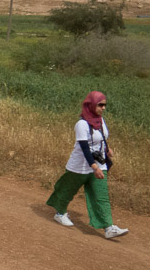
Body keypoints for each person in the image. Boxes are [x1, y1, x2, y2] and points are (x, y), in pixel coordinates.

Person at [46, 91, 129, 239]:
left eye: (104, 105)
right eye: (100, 105)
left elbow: (101, 139)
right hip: (79, 166)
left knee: (101, 196)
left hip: (99, 164)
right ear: (91, 105)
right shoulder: (81, 124)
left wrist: (107, 150)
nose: (103, 108)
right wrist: (94, 167)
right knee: (67, 190)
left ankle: (108, 227)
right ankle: (60, 213)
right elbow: (84, 147)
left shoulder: (101, 121)